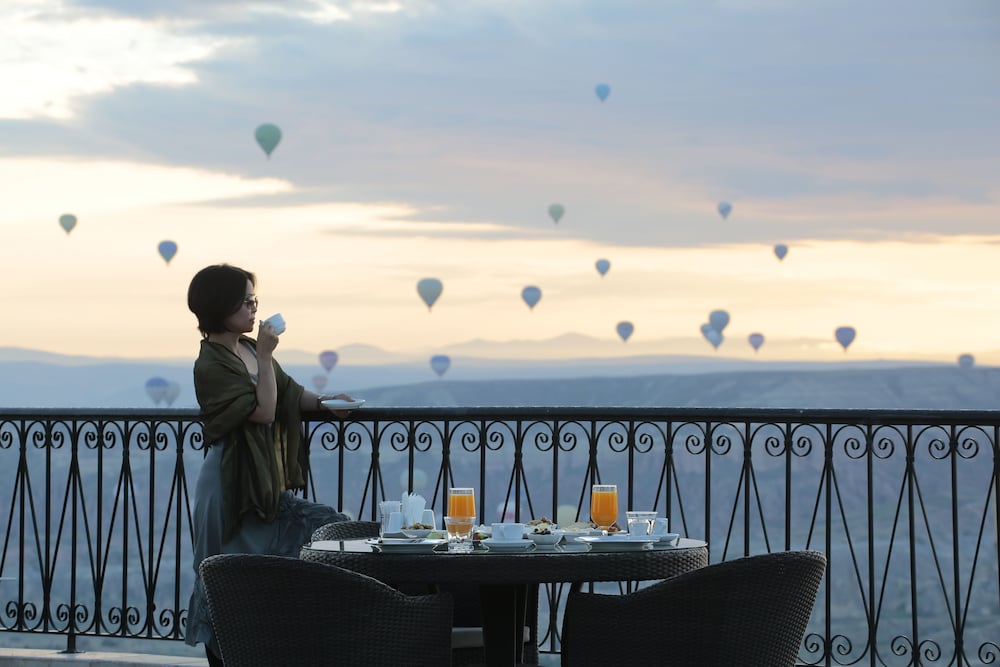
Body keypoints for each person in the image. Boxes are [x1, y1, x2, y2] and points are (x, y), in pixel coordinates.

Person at [184, 263, 351, 666]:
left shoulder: (245, 350)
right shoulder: (211, 364)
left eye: (253, 300)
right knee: (225, 578)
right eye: (244, 301)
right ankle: (223, 655)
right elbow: (264, 410)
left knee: (329, 527)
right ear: (219, 305)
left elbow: (288, 392)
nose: (253, 309)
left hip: (261, 483)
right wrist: (264, 352)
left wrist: (329, 404)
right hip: (229, 486)